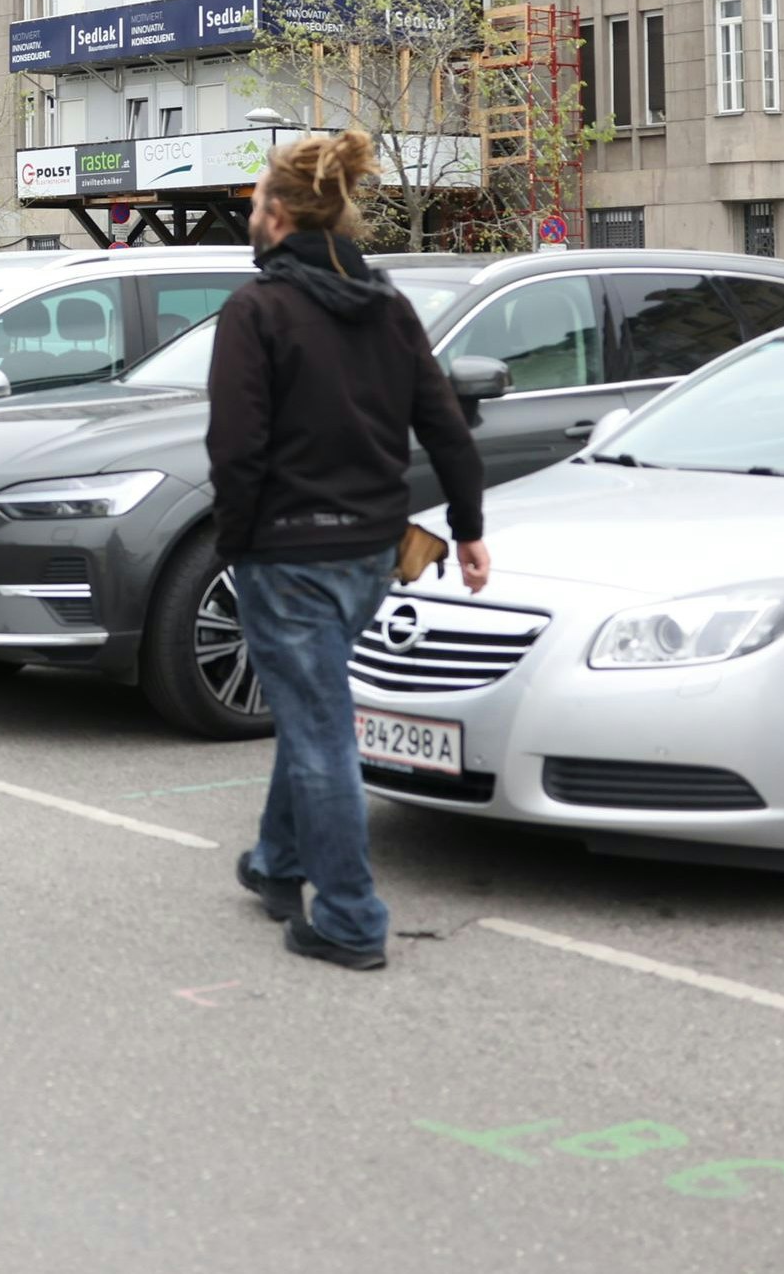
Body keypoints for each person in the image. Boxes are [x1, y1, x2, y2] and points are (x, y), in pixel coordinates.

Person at [202, 130, 487, 969]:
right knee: (313, 707)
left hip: (288, 556)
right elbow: (444, 425)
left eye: (256, 201)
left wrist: (235, 545)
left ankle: (350, 917)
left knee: (322, 727)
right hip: (369, 555)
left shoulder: (256, 310)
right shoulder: (387, 307)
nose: (250, 214)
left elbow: (235, 449)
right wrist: (469, 529)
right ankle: (277, 862)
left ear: (280, 216)